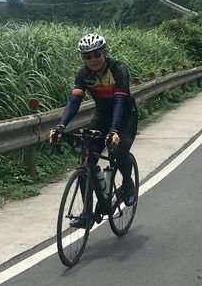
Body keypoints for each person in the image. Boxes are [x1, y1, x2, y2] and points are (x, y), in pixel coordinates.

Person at [49, 32, 138, 222]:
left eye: (97, 54)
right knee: (86, 165)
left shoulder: (118, 69)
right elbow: (74, 101)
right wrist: (61, 125)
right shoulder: (84, 74)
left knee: (119, 151)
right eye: (88, 57)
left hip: (124, 116)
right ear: (84, 59)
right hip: (101, 117)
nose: (93, 60)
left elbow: (119, 101)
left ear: (104, 53)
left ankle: (128, 184)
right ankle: (87, 213)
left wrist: (114, 130)